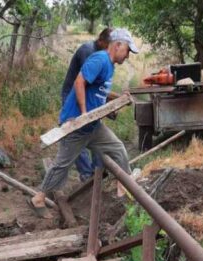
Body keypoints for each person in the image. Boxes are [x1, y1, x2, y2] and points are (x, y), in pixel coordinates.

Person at [32, 28, 138, 214]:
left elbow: (99, 92)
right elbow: (79, 82)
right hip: (77, 125)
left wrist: (119, 98)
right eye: (128, 50)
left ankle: (125, 187)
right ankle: (38, 198)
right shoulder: (100, 59)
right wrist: (83, 114)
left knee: (118, 148)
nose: (128, 56)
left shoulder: (110, 65)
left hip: (94, 126)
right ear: (118, 45)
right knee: (62, 165)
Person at [61, 27, 112, 182]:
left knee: (94, 129)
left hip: (88, 95)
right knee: (76, 133)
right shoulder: (88, 52)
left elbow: (99, 87)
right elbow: (84, 83)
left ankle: (98, 170)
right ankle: (87, 174)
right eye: (108, 45)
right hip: (72, 96)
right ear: (101, 41)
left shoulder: (103, 55)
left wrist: (111, 103)